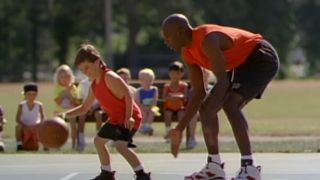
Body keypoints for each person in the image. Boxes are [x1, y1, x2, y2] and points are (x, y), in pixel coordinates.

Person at [162, 13, 279, 180]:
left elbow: (222, 82)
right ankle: (214, 166)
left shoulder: (207, 40)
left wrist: (209, 108)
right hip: (240, 63)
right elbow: (198, 92)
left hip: (259, 56)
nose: (167, 42)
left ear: (181, 31)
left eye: (169, 36)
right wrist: (180, 128)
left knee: (230, 104)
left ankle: (249, 169)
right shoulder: (187, 52)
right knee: (205, 108)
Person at [59, 43, 151, 180]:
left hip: (129, 117)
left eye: (87, 68)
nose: (86, 72)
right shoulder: (94, 85)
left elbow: (128, 95)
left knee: (121, 146)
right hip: (115, 119)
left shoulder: (110, 77)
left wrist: (129, 117)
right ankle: (107, 173)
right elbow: (84, 108)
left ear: (97, 62)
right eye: (83, 71)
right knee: (98, 141)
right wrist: (65, 115)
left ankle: (142, 175)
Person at [53, 64, 81, 150]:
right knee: (58, 125)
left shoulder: (74, 88)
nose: (65, 79)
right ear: (58, 78)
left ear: (71, 77)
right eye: (62, 77)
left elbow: (77, 103)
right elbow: (58, 101)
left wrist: (70, 94)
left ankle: (74, 145)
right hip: (60, 111)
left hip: (71, 111)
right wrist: (66, 90)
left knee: (73, 124)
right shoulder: (57, 88)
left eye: (67, 76)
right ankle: (58, 145)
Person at [162, 61, 188, 143]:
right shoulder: (167, 86)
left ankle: (179, 134)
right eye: (173, 73)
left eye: (177, 73)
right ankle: (168, 133)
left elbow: (185, 97)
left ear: (181, 74)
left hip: (180, 108)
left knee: (181, 115)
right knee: (167, 114)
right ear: (169, 74)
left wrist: (173, 97)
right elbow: (164, 97)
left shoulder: (184, 85)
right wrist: (176, 97)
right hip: (169, 107)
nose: (175, 76)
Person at [15, 83, 45, 151]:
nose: (31, 96)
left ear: (36, 94)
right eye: (29, 94)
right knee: (17, 127)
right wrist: (25, 126)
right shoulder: (21, 105)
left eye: (33, 94)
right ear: (25, 94)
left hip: (36, 125)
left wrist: (37, 125)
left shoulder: (39, 105)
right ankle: (19, 144)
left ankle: (44, 144)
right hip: (24, 125)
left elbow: (43, 118)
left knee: (45, 126)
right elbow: (17, 119)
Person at [135, 68, 159, 136]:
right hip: (142, 107)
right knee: (142, 112)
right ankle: (144, 126)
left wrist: (151, 107)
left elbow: (155, 100)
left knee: (153, 110)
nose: (148, 82)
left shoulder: (154, 89)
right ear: (141, 81)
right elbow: (137, 102)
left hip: (153, 106)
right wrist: (144, 107)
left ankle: (147, 126)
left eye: (150, 80)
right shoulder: (139, 91)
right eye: (145, 80)